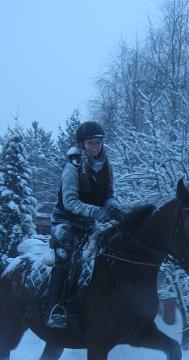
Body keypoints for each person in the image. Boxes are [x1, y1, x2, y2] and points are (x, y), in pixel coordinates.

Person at [47, 121, 123, 326]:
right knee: (66, 257)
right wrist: (97, 211)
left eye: (98, 142)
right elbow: (69, 201)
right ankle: (55, 308)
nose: (95, 147)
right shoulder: (72, 168)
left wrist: (113, 206)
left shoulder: (107, 166)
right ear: (81, 144)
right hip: (66, 223)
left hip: (90, 224)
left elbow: (109, 195)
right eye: (91, 143)